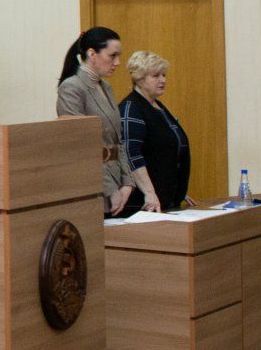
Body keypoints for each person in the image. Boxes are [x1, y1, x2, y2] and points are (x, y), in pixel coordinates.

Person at [56, 26, 143, 218]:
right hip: (91, 182)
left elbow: (118, 141)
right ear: (92, 54)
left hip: (115, 179)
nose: (117, 62)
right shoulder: (72, 87)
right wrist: (110, 188)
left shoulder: (106, 87)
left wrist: (128, 182)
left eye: (119, 56)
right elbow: (80, 144)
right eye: (112, 56)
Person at [119, 50, 192, 212]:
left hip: (166, 199)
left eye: (164, 75)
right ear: (139, 79)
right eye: (156, 76)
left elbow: (168, 149)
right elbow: (131, 153)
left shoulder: (157, 106)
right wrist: (150, 193)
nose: (162, 80)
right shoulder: (131, 108)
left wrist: (178, 191)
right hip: (145, 204)